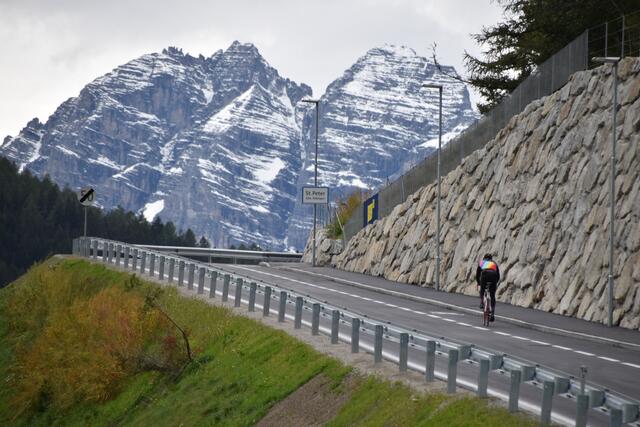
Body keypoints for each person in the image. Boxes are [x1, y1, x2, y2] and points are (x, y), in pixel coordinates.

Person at [476, 253, 500, 322]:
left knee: (482, 289)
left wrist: (479, 283)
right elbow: (498, 276)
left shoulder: (482, 263)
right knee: (492, 295)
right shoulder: (494, 263)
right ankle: (492, 313)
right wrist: (495, 283)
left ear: (484, 258)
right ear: (491, 258)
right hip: (493, 277)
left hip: (485, 275)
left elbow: (477, 275)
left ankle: (481, 303)